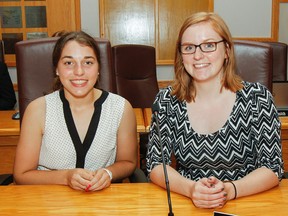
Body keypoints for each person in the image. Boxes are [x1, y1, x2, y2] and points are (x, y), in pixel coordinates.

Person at [146, 12, 284, 209]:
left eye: (209, 45)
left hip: (247, 201)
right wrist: (191, 189)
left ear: (227, 50)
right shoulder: (167, 100)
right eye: (189, 48)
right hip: (188, 203)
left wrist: (230, 190)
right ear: (181, 54)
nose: (198, 55)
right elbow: (156, 164)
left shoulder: (257, 98)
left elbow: (272, 167)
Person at [13, 31, 137, 191]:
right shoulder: (38, 110)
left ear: (99, 67)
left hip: (101, 203)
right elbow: (21, 174)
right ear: (56, 69)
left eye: (88, 62)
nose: (79, 71)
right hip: (49, 202)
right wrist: (65, 177)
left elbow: (128, 162)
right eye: (68, 63)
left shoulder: (120, 108)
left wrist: (109, 173)